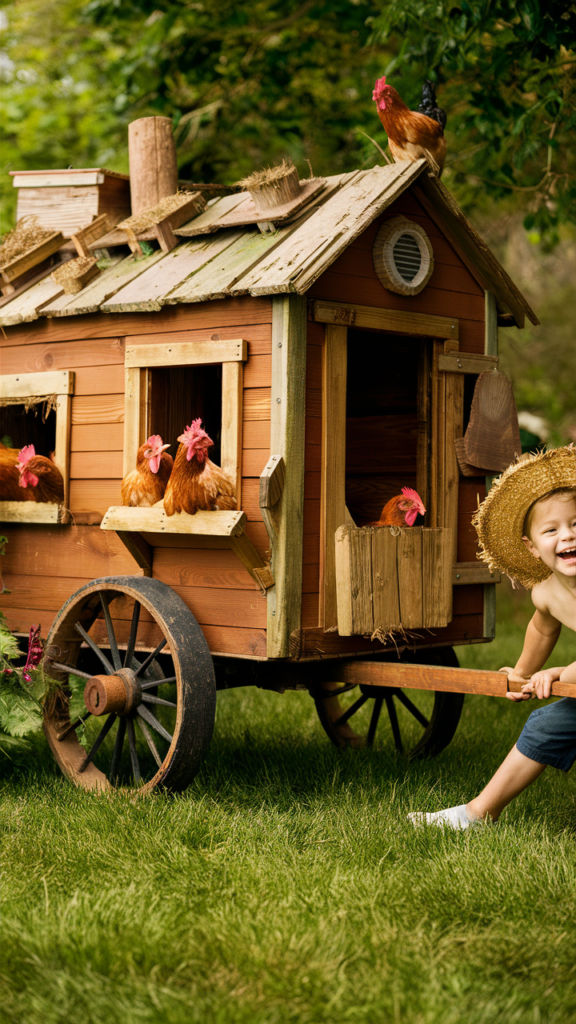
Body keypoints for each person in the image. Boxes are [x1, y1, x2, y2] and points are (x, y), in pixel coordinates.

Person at [408, 445, 576, 830]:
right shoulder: (546, 593)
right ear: (532, 548)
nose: (567, 535)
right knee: (545, 725)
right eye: (552, 530)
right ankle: (477, 815)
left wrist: (558, 674)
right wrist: (523, 672)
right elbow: (541, 628)